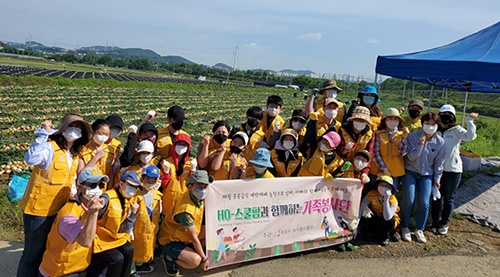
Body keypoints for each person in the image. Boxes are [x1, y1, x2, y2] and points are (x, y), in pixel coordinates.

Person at [18, 113, 91, 277]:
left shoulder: (73, 153)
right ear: (63, 128)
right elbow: (31, 158)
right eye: (72, 126)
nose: (74, 131)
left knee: (45, 250)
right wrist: (43, 133)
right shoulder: (49, 147)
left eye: (79, 128)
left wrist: (77, 196)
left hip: (59, 209)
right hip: (39, 211)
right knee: (31, 255)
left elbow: (70, 180)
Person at [39, 167, 106, 277]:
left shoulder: (87, 206)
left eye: (101, 185)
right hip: (59, 272)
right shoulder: (69, 216)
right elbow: (85, 241)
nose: (97, 189)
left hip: (77, 267)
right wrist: (93, 213)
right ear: (79, 187)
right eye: (93, 185)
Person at [431, 105, 478, 235]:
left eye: (449, 114)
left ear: (453, 117)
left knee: (449, 198)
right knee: (436, 197)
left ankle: (444, 223)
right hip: (437, 170)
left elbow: (470, 136)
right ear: (439, 116)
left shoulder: (456, 130)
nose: (446, 117)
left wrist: (470, 121)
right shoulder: (436, 131)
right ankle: (434, 222)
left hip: (453, 170)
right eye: (443, 114)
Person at [400, 112, 445, 244]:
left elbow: (439, 163)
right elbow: (410, 157)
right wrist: (420, 145)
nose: (429, 127)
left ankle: (419, 229)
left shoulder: (440, 142)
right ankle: (405, 227)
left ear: (437, 126)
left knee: (424, 202)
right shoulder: (414, 136)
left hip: (427, 174)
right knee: (409, 200)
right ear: (422, 124)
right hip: (411, 172)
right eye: (427, 124)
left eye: (433, 124)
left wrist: (437, 180)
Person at [158, 170, 214, 275]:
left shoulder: (196, 197)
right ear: (190, 186)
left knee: (211, 233)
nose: (202, 189)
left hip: (184, 235)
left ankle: (188, 251)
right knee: (195, 260)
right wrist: (204, 259)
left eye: (205, 186)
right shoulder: (185, 210)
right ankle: (168, 257)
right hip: (170, 240)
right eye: (199, 186)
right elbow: (193, 237)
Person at [86, 171, 140, 277]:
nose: (132, 189)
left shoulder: (127, 201)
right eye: (130, 185)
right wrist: (100, 206)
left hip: (114, 237)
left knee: (129, 250)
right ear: (121, 183)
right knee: (117, 258)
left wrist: (133, 214)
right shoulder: (108, 197)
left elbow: (124, 228)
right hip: (100, 239)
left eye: (135, 187)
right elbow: (101, 204)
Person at [132, 165, 163, 274]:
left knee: (147, 247)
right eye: (148, 179)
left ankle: (142, 264)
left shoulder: (157, 195)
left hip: (151, 228)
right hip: (137, 229)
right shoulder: (135, 194)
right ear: (142, 179)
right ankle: (133, 269)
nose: (150, 182)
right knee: (135, 249)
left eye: (153, 180)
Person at [370, 108, 409, 191]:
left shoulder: (402, 134)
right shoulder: (378, 133)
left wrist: (404, 139)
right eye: (390, 118)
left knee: (390, 196)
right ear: (385, 120)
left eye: (395, 119)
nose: (393, 121)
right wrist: (384, 169)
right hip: (378, 171)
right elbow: (375, 153)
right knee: (374, 194)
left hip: (395, 172)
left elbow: (402, 153)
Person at [358, 175, 401, 246]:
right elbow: (362, 207)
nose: (383, 187)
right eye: (381, 185)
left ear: (391, 189)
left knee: (389, 222)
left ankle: (387, 236)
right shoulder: (371, 195)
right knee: (367, 232)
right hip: (376, 216)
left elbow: (387, 217)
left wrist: (386, 199)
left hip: (388, 220)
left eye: (387, 186)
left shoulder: (393, 200)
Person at [161, 133, 196, 215]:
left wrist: (193, 171)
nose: (181, 146)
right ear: (174, 145)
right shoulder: (167, 162)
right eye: (179, 144)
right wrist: (166, 173)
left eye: (184, 144)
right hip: (169, 202)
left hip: (185, 201)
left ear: (188, 148)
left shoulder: (191, 163)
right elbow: (163, 185)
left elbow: (193, 185)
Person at [338, 106, 375, 171]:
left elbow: (369, 156)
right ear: (352, 120)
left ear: (367, 122)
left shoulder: (370, 135)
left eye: (363, 121)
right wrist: (344, 150)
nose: (359, 122)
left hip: (360, 167)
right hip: (342, 165)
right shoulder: (342, 130)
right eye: (357, 120)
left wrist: (364, 173)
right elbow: (336, 151)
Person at [105, 114, 125, 189]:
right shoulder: (97, 140)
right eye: (113, 128)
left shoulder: (117, 144)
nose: (115, 131)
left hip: (107, 175)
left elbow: (112, 165)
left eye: (118, 129)